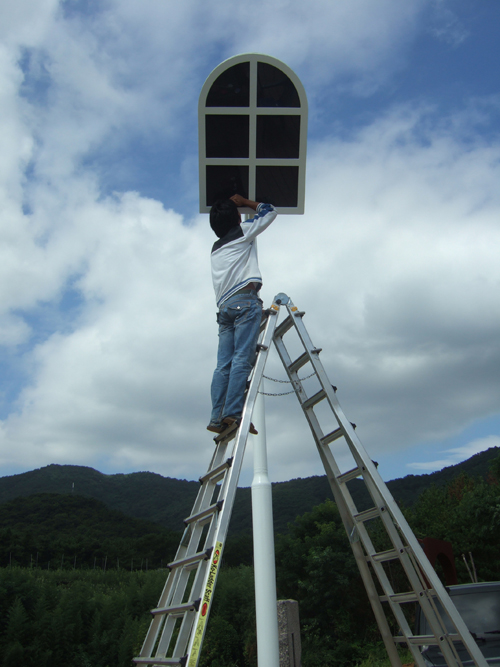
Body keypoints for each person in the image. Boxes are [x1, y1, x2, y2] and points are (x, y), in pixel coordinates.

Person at [207, 194, 277, 434]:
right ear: (237, 218)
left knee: (222, 365)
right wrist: (246, 202)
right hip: (244, 303)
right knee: (241, 359)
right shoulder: (242, 231)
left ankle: (217, 418)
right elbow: (269, 212)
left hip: (224, 309)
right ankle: (233, 414)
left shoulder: (215, 249)